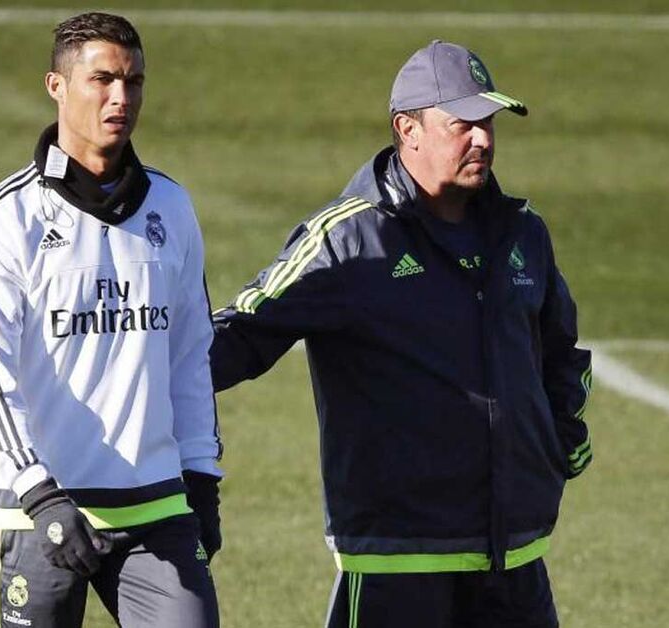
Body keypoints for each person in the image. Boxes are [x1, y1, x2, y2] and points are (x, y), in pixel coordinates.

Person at [210, 40, 592, 628]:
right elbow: (239, 336)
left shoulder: (523, 232)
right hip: (397, 557)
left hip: (513, 555)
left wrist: (562, 438)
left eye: (489, 122)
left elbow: (560, 350)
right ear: (407, 129)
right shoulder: (347, 240)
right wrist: (133, 372)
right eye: (462, 124)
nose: (483, 139)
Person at [0, 12, 222, 628]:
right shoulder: (5, 218)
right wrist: (38, 491)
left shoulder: (171, 206)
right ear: (57, 86)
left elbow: (190, 354)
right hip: (41, 510)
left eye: (133, 81)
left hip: (155, 505)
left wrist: (202, 475)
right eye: (102, 80)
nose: (120, 98)